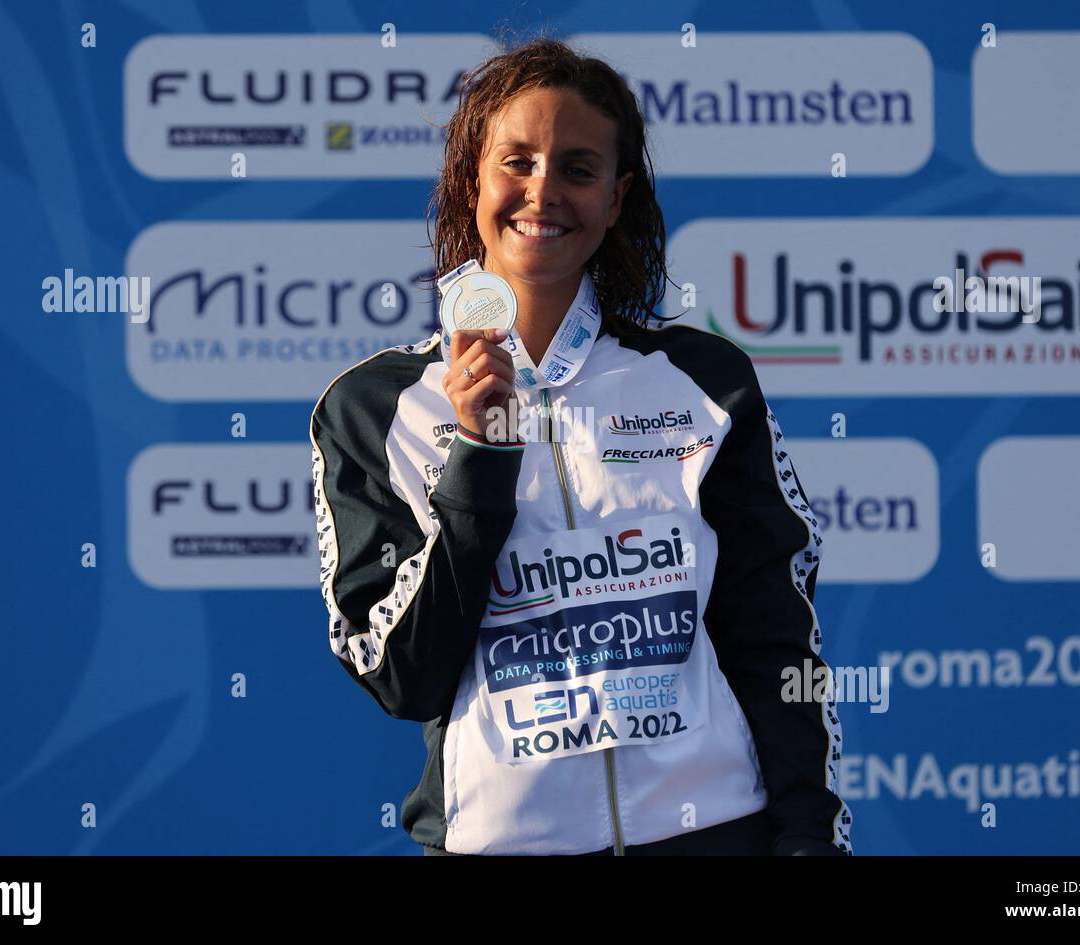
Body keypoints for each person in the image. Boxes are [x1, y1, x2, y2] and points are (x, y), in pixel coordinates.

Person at [309, 34, 852, 856]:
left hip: (711, 831)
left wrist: (811, 837)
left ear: (616, 194)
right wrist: (479, 456)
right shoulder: (372, 408)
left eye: (577, 167)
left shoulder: (702, 381)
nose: (543, 191)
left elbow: (776, 636)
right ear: (471, 181)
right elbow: (403, 673)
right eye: (517, 161)